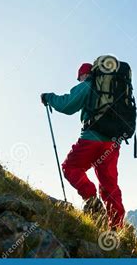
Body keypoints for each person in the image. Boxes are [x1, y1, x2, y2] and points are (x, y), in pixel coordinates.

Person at [41, 63, 125, 229]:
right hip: (113, 143)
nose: (79, 80)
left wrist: (48, 97)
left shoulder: (88, 85)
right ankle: (117, 227)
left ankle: (91, 201)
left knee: (70, 167)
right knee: (109, 184)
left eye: (79, 78)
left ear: (84, 75)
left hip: (91, 139)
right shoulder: (115, 91)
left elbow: (67, 105)